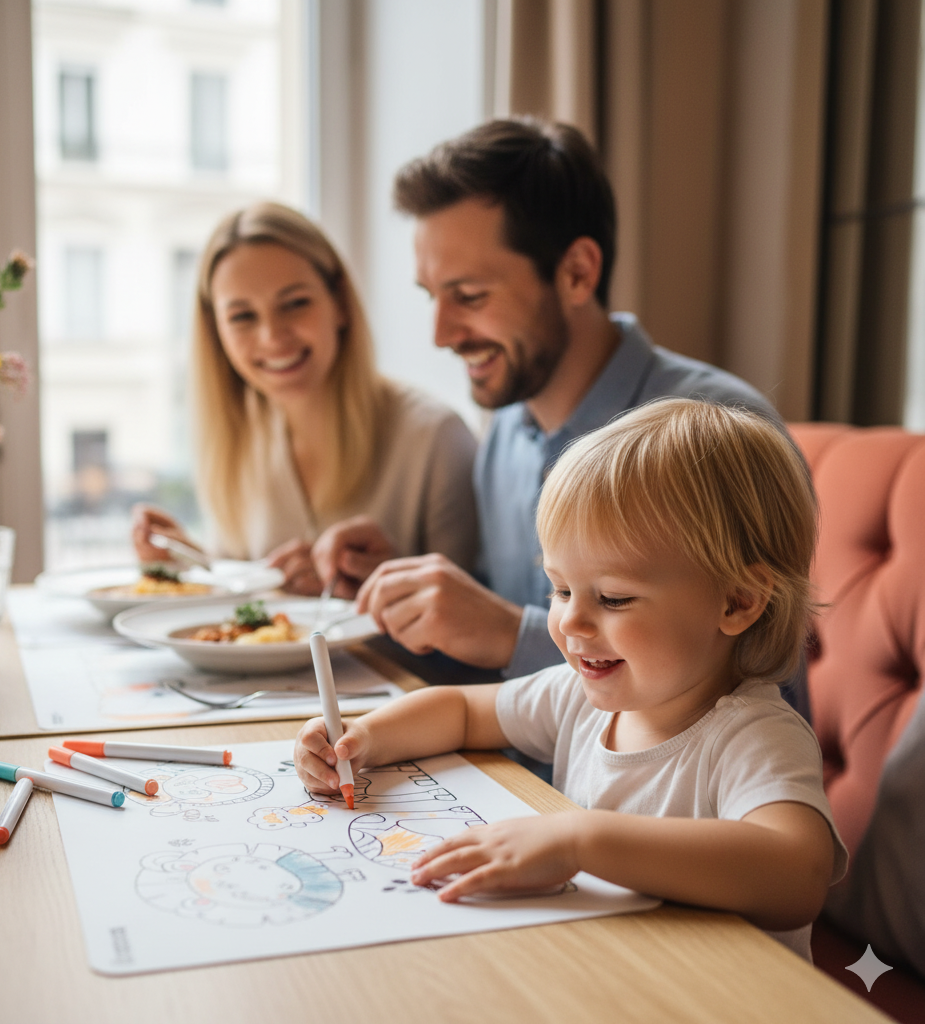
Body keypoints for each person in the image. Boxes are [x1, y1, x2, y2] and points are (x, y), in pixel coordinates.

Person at [296, 399, 847, 961]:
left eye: (612, 598)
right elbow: (462, 711)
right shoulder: (583, 699)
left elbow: (796, 873)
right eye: (560, 590)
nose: (572, 622)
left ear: (738, 601)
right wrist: (363, 739)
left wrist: (580, 840)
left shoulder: (752, 735)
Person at [312, 119, 785, 677]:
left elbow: (760, 681)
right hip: (507, 761)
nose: (441, 333)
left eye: (468, 295)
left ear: (578, 274)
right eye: (433, 297)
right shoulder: (505, 435)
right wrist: (398, 598)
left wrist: (510, 633)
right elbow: (496, 654)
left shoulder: (718, 432)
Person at [131, 202, 478, 593]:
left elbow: (470, 625)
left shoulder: (435, 440)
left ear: (340, 305)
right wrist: (192, 565)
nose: (273, 338)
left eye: (295, 304)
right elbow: (250, 613)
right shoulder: (239, 442)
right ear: (217, 333)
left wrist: (373, 586)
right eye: (243, 316)